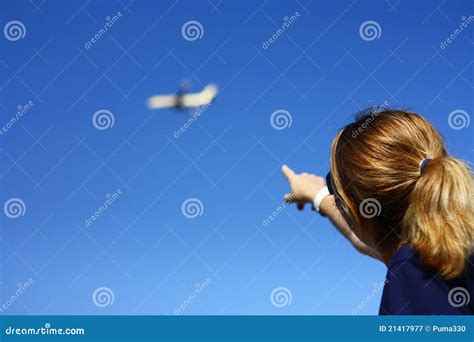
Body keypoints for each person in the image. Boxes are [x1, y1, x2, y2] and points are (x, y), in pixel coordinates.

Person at [282, 109, 474, 315]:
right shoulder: (453, 250)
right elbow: (367, 239)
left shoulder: (412, 272)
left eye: (336, 190)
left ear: (358, 212)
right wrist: (317, 194)